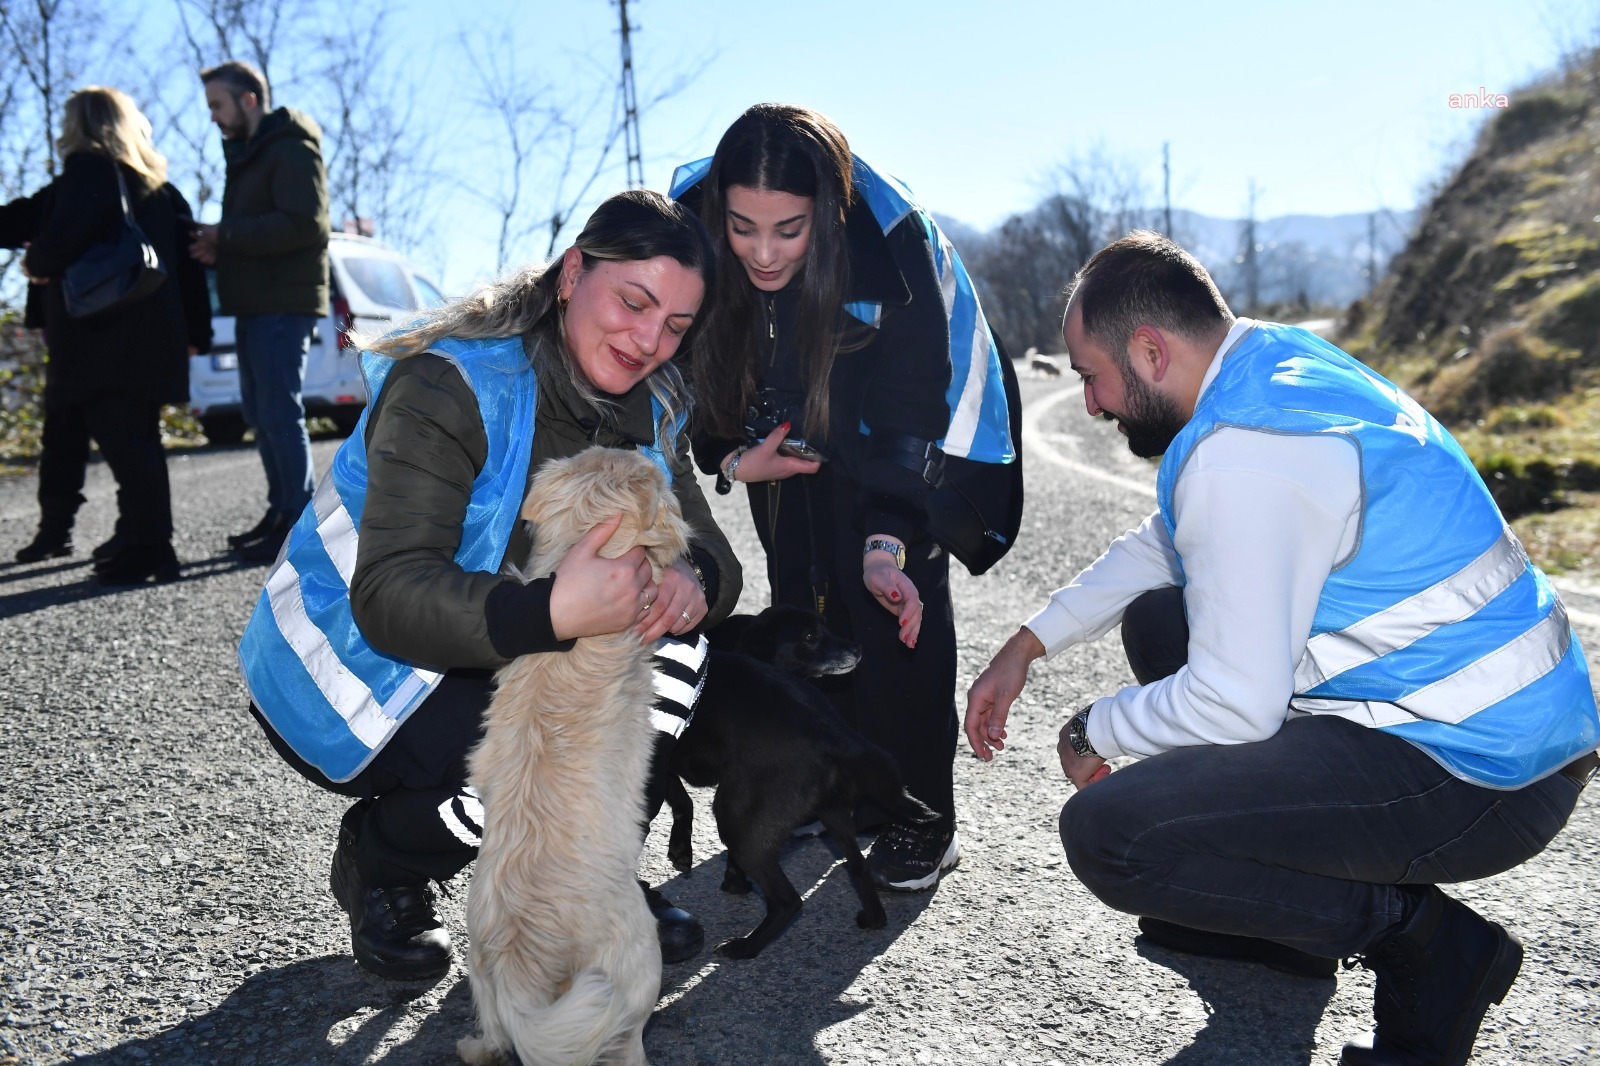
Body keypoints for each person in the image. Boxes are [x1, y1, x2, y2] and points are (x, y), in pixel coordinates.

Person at [965, 231, 1600, 1066]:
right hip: (1499, 720)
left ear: (1150, 350)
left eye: (1092, 375)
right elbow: (1174, 539)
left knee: (1113, 835)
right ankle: (1289, 933)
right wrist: (1028, 644)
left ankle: (1430, 943)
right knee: (1162, 620)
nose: (1089, 402)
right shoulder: (1270, 365)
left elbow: (1235, 700)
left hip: (1485, 774)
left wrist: (1093, 731)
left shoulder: (1248, 457)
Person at [237, 189, 742, 981]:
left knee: (678, 657)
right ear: (574, 272)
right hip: (357, 665)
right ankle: (386, 859)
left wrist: (691, 575)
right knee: (524, 746)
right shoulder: (451, 383)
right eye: (634, 301)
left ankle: (585, 874)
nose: (649, 341)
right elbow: (390, 597)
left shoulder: (654, 401)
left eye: (676, 326)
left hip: (501, 644)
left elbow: (715, 550)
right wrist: (549, 611)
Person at [674, 103, 1011, 891]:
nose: (761, 252)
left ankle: (917, 815)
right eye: (743, 226)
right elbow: (690, 367)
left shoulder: (889, 240)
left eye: (788, 230)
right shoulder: (686, 221)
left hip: (907, 432)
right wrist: (729, 458)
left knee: (892, 603)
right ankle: (819, 793)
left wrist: (889, 535)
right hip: (785, 428)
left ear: (826, 213)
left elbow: (913, 403)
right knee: (802, 604)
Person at [0, 86, 212, 583]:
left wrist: (36, 261)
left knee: (127, 445)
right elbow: (190, 269)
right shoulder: (159, 187)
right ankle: (142, 543)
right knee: (134, 443)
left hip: (102, 341)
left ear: (83, 126)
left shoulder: (88, 175)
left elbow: (60, 238)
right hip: (146, 339)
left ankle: (152, 550)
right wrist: (195, 333)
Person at [190, 59, 330, 564]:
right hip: (255, 302)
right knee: (261, 413)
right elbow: (259, 228)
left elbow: (304, 225)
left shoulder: (291, 149)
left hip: (283, 303)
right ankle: (280, 514)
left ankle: (297, 524)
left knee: (278, 410)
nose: (213, 117)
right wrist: (221, 247)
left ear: (248, 100)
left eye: (217, 105)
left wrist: (224, 236)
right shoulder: (247, 156)